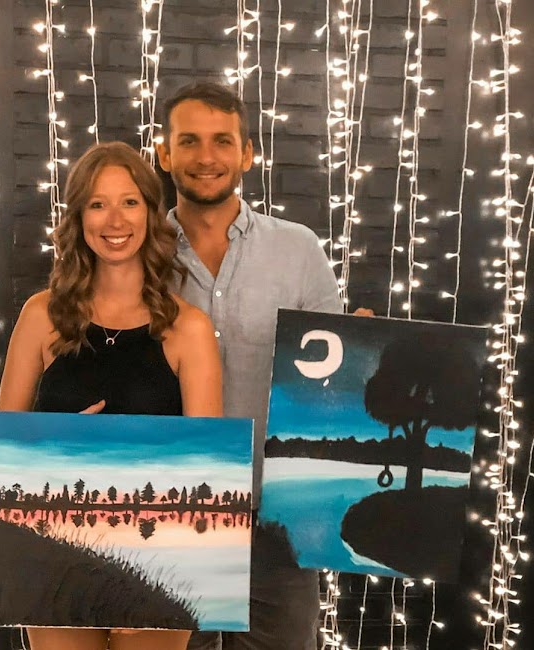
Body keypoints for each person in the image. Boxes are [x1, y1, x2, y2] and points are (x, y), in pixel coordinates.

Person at [0, 141, 222, 650]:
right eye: (97, 204)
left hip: (158, 561)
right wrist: (64, 443)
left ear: (150, 212)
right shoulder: (41, 316)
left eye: (129, 202)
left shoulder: (189, 329)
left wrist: (151, 580)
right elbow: (7, 448)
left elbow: (206, 473)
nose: (114, 220)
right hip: (56, 551)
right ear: (79, 217)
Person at [156, 82, 345, 650]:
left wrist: (361, 350)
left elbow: (331, 382)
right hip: (166, 509)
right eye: (189, 141)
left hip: (279, 516)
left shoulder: (298, 249)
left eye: (222, 141)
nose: (205, 156)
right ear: (164, 154)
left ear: (247, 154)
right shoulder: (136, 251)